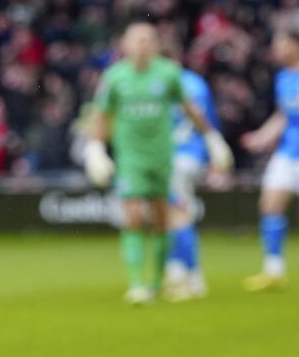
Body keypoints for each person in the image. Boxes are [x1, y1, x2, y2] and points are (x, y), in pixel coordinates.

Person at [84, 23, 233, 306]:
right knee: (134, 216)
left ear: (154, 45)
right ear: (125, 45)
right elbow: (101, 115)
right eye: (137, 40)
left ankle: (156, 281)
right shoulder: (115, 77)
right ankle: (137, 283)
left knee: (162, 220)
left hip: (163, 156)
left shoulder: (168, 74)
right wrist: (95, 148)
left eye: (148, 40)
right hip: (130, 157)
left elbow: (190, 108)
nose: (143, 45)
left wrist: (213, 138)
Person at [241, 31, 299, 292]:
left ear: (297, 46)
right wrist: (261, 137)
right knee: (269, 204)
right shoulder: (283, 78)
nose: (278, 50)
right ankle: (274, 270)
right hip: (286, 153)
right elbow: (284, 115)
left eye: (282, 44)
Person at [163, 53, 222, 302]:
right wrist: (215, 156)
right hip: (193, 156)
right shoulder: (198, 82)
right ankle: (177, 270)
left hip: (174, 158)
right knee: (174, 214)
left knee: (175, 215)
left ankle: (189, 274)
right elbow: (210, 121)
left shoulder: (161, 83)